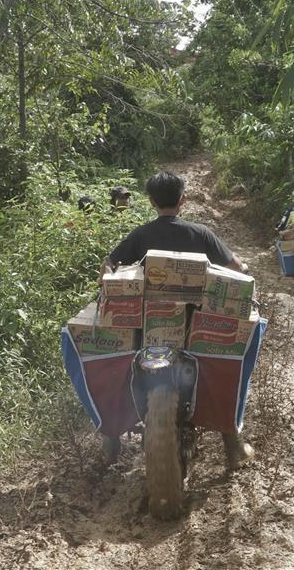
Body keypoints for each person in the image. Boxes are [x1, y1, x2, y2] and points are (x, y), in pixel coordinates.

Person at [100, 171, 253, 469]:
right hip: (197, 329)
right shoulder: (201, 233)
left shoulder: (141, 235)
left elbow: (109, 264)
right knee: (224, 365)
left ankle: (110, 440)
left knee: (115, 362)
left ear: (152, 202)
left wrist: (108, 279)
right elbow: (236, 268)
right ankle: (233, 444)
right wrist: (244, 268)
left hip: (146, 330)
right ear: (183, 200)